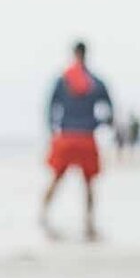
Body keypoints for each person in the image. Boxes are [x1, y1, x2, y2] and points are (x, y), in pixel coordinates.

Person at [44, 40, 112, 239]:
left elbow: (50, 107)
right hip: (86, 137)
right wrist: (98, 123)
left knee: (56, 178)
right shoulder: (96, 82)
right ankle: (89, 221)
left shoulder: (62, 80)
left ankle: (43, 214)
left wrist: (53, 129)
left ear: (73, 53)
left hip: (65, 136)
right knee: (89, 183)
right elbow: (109, 110)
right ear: (87, 54)